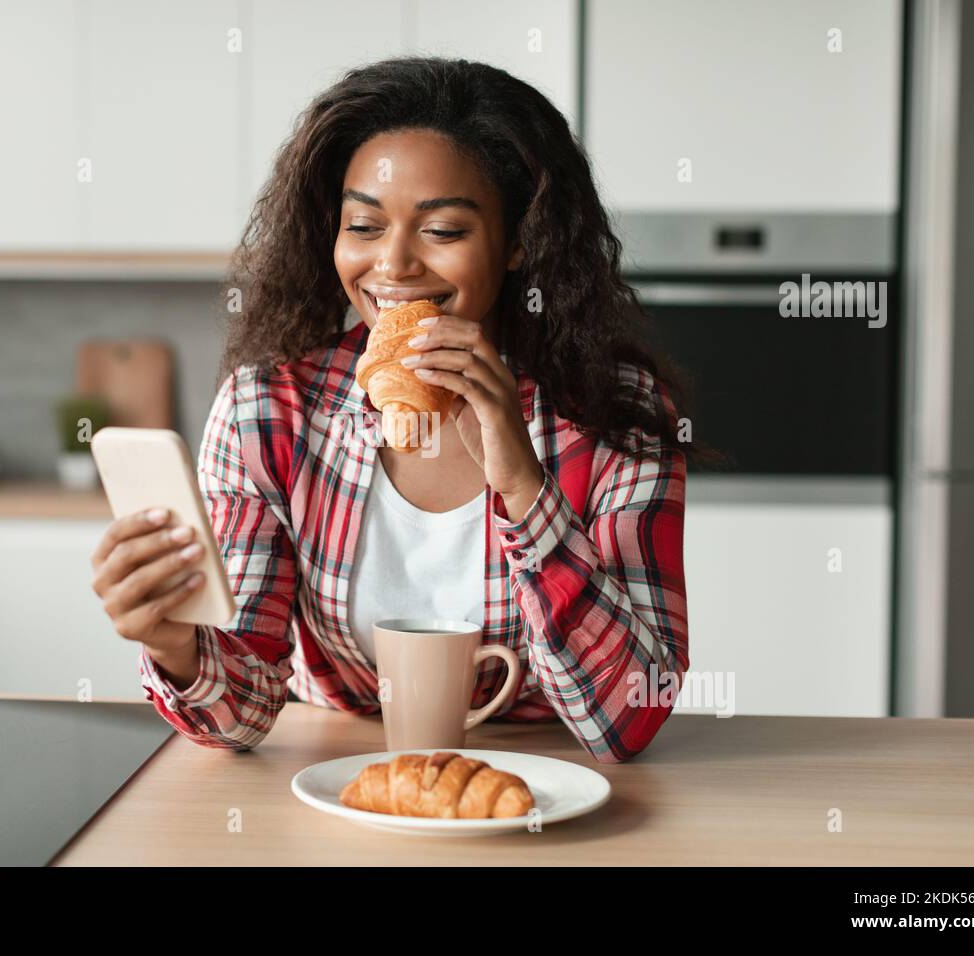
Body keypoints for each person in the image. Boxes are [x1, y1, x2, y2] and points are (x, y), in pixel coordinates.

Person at [90, 57, 692, 764]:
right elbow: (244, 713)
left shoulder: (613, 412)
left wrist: (525, 485)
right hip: (342, 782)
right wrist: (173, 642)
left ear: (519, 240)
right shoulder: (272, 409)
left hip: (551, 788)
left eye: (443, 232)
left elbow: (630, 718)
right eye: (364, 226)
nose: (394, 266)